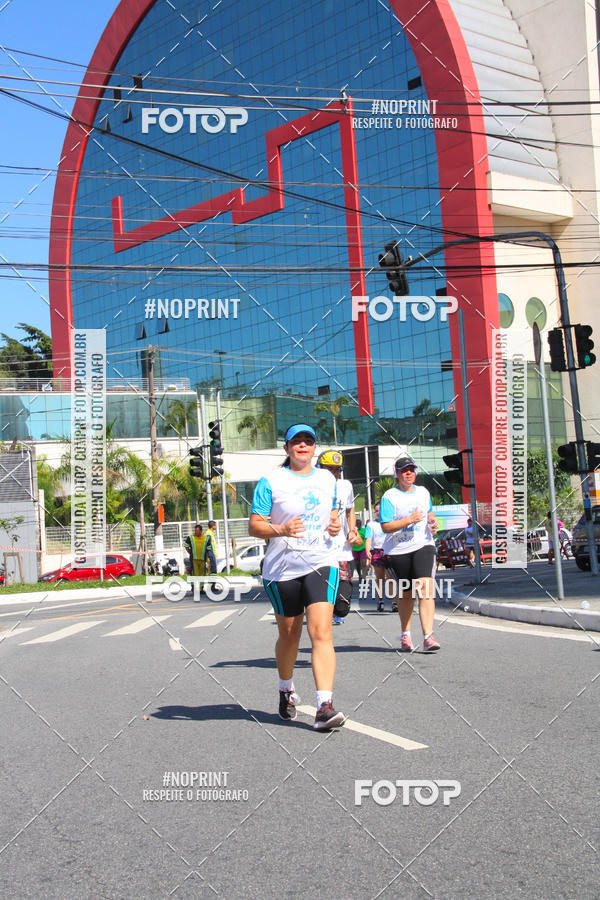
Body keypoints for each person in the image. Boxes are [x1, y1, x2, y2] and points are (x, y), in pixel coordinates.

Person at [249, 424, 346, 730]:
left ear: (314, 447)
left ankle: (324, 705)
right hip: (282, 569)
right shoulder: (271, 481)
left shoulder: (326, 480)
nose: (303, 446)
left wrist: (335, 526)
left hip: (321, 562)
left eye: (308, 441)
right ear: (287, 448)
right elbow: (254, 526)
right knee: (290, 635)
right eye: (297, 441)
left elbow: (332, 517)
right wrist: (282, 529)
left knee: (321, 631)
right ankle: (285, 688)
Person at [380, 456, 440, 652]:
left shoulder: (423, 492)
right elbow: (386, 526)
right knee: (406, 594)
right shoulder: (389, 497)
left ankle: (428, 637)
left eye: (412, 469)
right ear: (397, 474)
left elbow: (429, 512)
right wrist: (409, 520)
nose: (409, 473)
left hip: (423, 544)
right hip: (398, 550)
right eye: (404, 470)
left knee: (425, 588)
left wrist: (433, 521)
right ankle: (406, 634)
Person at [316, 449, 358, 625]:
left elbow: (350, 510)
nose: (334, 473)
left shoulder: (346, 485)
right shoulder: (312, 486)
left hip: (342, 549)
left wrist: (353, 531)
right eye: (329, 468)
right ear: (319, 468)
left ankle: (335, 609)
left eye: (337, 469)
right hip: (318, 549)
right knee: (319, 592)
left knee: (342, 607)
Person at [365, 502, 397, 613]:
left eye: (380, 510)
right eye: (376, 511)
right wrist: (367, 551)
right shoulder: (371, 525)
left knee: (391, 579)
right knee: (380, 579)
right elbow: (368, 539)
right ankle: (380, 601)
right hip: (377, 552)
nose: (378, 513)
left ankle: (394, 602)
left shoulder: (391, 522)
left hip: (389, 552)